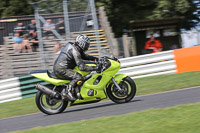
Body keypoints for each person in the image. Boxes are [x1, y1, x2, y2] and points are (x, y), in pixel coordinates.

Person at [53, 34, 101, 101]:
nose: (87, 46)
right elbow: (82, 67)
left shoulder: (75, 47)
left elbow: (84, 56)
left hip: (61, 67)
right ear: (82, 43)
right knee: (78, 77)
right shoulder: (75, 52)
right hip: (62, 69)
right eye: (86, 44)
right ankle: (68, 92)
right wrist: (96, 68)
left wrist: (95, 59)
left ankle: (76, 91)